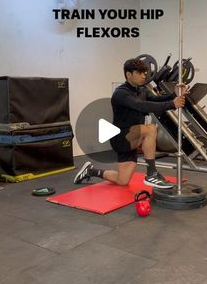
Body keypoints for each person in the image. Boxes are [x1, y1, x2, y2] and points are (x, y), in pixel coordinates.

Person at [74, 57, 188, 188]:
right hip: (121, 138)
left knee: (122, 180)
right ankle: (152, 173)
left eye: (144, 72)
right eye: (139, 72)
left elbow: (156, 100)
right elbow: (141, 106)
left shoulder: (142, 90)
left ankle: (91, 171)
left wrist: (174, 95)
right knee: (151, 128)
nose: (144, 75)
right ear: (129, 74)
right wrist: (172, 104)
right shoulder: (121, 93)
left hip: (134, 137)